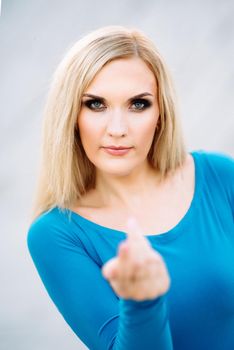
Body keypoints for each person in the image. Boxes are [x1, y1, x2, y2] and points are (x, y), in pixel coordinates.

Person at [26, 25, 234, 350]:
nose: (118, 129)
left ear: (160, 113)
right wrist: (142, 302)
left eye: (138, 104)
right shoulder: (55, 234)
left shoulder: (220, 176)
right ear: (70, 115)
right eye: (96, 104)